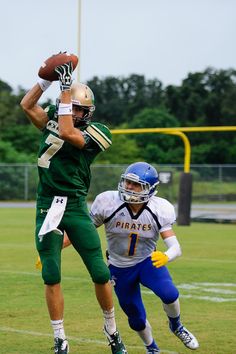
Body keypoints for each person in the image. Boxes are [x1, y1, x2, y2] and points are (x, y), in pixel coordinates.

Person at [20, 58, 127, 354]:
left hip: (76, 206)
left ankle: (112, 331)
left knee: (101, 273)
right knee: (51, 273)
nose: (78, 113)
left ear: (89, 112)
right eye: (74, 108)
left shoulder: (99, 132)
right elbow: (28, 106)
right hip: (47, 206)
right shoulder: (57, 110)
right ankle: (60, 338)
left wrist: (66, 91)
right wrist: (46, 80)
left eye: (83, 109)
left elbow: (68, 132)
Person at [89, 162, 199, 354]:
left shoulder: (159, 208)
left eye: (135, 184)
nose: (128, 187)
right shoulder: (108, 202)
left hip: (147, 261)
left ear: (150, 189)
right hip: (118, 267)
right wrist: (55, 249)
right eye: (127, 182)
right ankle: (152, 348)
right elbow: (84, 232)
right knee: (136, 318)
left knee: (170, 294)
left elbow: (176, 247)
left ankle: (177, 326)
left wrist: (165, 257)